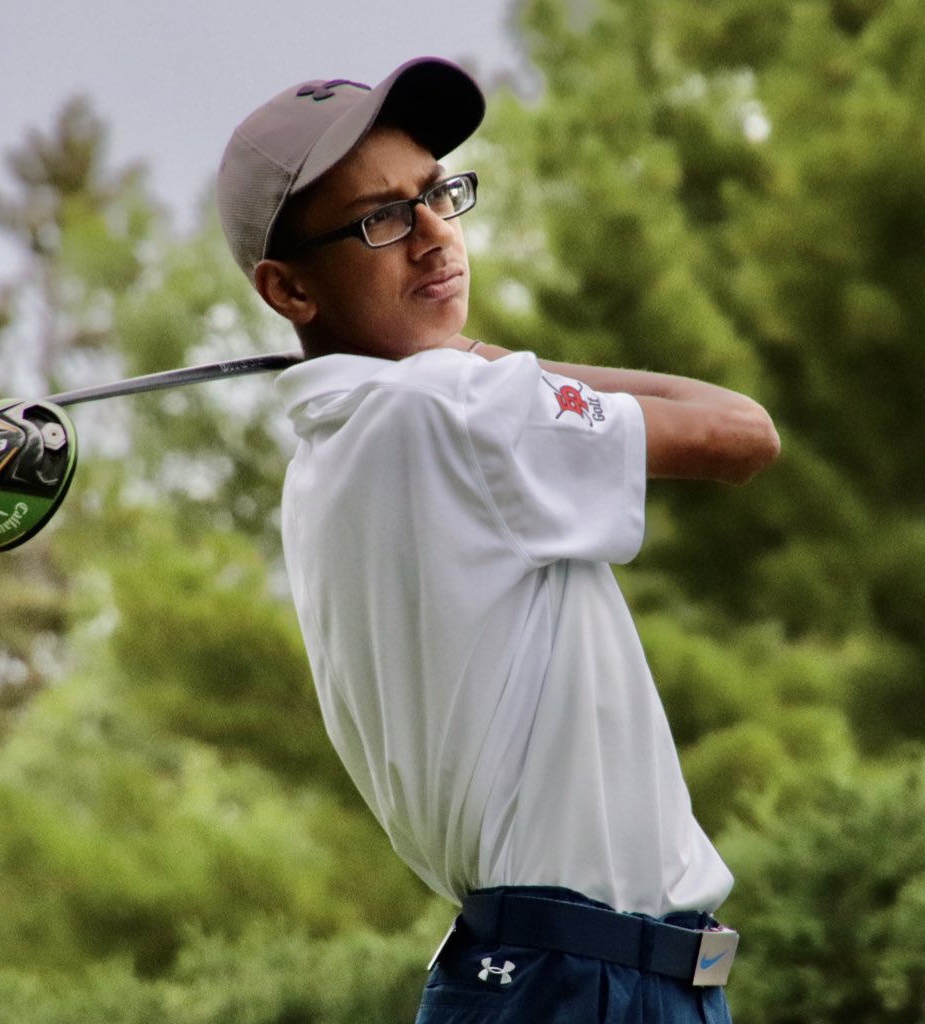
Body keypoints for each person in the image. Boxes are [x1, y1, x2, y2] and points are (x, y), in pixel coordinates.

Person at [216, 56, 780, 1023]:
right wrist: (478, 357)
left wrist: (466, 360)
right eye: (381, 220)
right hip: (585, 983)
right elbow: (742, 433)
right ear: (290, 289)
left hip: (555, 974)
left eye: (436, 195)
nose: (435, 238)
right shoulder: (447, 406)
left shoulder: (339, 447)